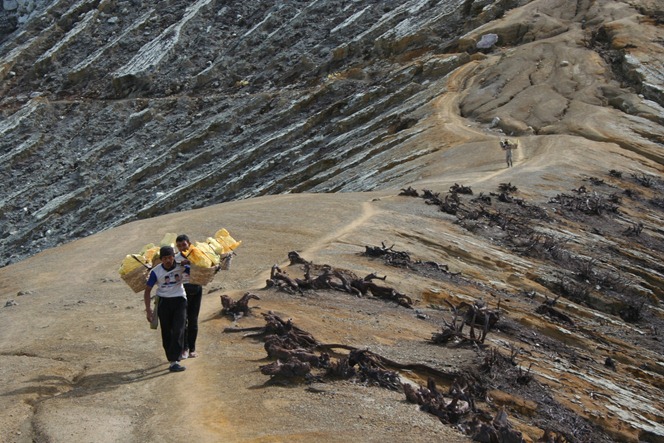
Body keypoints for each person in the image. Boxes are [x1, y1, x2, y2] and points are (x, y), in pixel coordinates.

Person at [144, 245, 189, 372]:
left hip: (180, 300)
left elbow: (197, 270)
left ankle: (176, 357)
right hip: (164, 302)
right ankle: (172, 361)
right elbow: (147, 290)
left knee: (178, 329)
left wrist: (190, 263)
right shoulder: (156, 272)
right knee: (166, 331)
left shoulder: (181, 266)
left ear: (174, 257)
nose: (168, 260)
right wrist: (148, 310)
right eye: (165, 258)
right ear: (161, 259)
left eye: (170, 257)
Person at [175, 234, 203, 360]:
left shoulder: (197, 255)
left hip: (196, 288)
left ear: (189, 244)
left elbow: (205, 267)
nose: (182, 247)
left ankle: (192, 349)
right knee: (183, 321)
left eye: (184, 245)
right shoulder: (175, 259)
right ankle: (184, 348)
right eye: (179, 246)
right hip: (182, 291)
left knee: (193, 320)